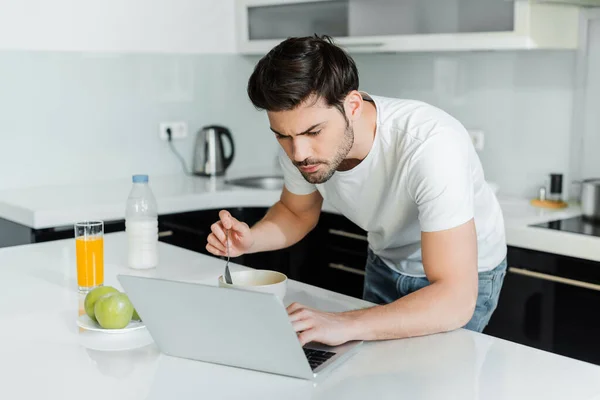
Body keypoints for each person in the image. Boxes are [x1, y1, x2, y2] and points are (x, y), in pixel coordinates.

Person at [206, 35, 507, 347]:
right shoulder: (298, 139)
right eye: (283, 136)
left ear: (352, 106)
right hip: (386, 260)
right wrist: (251, 239)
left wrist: (343, 323)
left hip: (462, 277)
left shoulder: (430, 145)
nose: (298, 153)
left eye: (314, 132)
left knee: (434, 382)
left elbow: (454, 299)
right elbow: (296, 212)